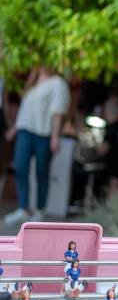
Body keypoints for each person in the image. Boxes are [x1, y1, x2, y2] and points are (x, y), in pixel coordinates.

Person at [4, 66, 70, 226]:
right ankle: (23, 208)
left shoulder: (57, 83)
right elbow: (25, 110)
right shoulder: (33, 82)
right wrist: (14, 128)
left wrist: (55, 137)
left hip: (44, 133)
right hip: (25, 130)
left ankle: (40, 210)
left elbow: (58, 112)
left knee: (42, 172)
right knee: (20, 167)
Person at [97, 96, 118, 194]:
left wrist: (97, 146)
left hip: (114, 168)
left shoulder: (111, 128)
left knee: (113, 193)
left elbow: (103, 150)